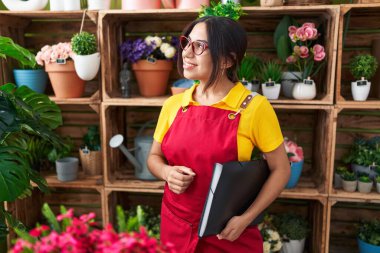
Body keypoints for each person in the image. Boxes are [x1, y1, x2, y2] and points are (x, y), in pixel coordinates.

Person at [147, 16, 290, 253]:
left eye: (200, 46)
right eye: (187, 43)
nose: (187, 53)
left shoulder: (254, 108)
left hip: (227, 234)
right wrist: (166, 172)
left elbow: (281, 169)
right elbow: (154, 156)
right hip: (176, 227)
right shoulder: (173, 105)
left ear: (226, 60)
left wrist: (246, 218)